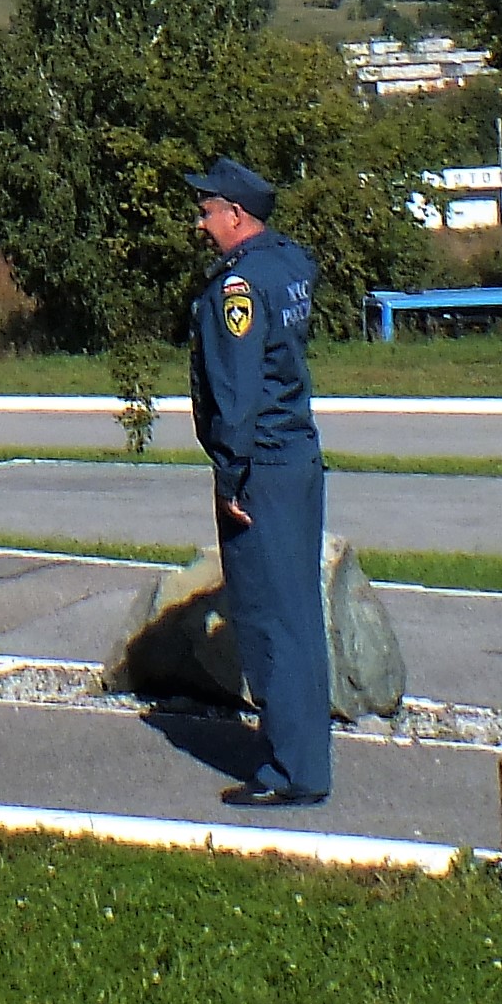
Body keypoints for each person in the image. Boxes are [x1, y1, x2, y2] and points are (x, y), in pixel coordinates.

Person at [186, 156, 332, 809]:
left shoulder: (237, 288)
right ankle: (302, 755)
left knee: (269, 618)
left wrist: (228, 477)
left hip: (260, 467)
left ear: (236, 215)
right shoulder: (286, 264)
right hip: (295, 458)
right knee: (298, 612)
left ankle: (288, 772)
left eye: (207, 210)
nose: (200, 222)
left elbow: (236, 393)